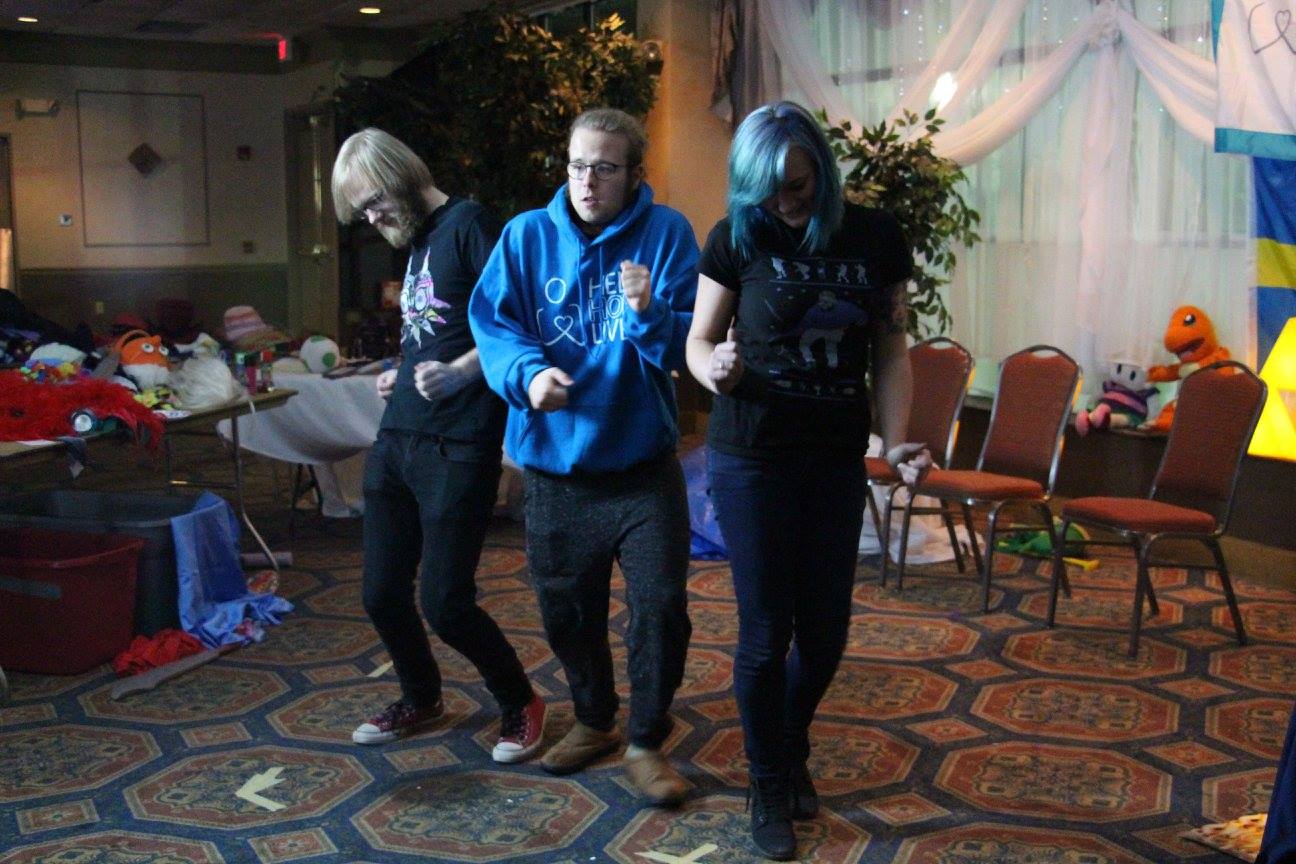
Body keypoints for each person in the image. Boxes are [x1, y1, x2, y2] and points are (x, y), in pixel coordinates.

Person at [685, 101, 932, 860]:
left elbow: (890, 350)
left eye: (796, 187)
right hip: (752, 456)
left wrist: (896, 439)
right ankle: (767, 780)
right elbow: (698, 340)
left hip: (833, 457)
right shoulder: (737, 236)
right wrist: (715, 369)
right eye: (767, 191)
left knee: (825, 634)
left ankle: (789, 742)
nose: (784, 204)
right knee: (766, 633)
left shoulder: (875, 237)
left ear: (822, 171)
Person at [469, 108, 698, 807]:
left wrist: (650, 313)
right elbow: (495, 326)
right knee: (566, 612)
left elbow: (689, 346)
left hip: (642, 468)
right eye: (576, 166)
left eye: (604, 168)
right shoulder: (525, 236)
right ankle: (596, 719)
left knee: (660, 607)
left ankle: (646, 740)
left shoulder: (667, 234)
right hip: (555, 469)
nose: (587, 182)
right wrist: (529, 376)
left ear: (634, 174)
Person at [330, 128, 545, 763]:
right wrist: (404, 369)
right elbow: (437, 329)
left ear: (400, 176)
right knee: (381, 594)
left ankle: (521, 701)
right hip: (399, 436)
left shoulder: (470, 224)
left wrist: (461, 373)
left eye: (374, 203)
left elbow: (523, 325)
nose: (372, 220)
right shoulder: (418, 239)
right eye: (362, 212)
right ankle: (421, 697)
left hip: (460, 441)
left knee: (446, 602)